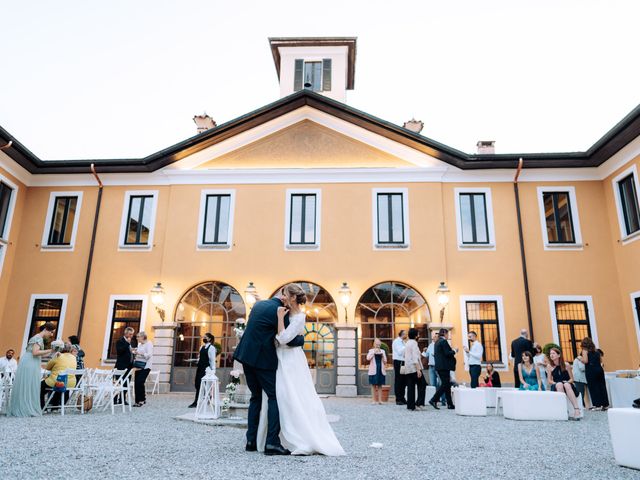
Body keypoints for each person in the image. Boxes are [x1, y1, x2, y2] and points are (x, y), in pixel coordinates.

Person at [255, 283, 344, 456]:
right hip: (279, 359)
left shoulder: (299, 317)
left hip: (291, 361)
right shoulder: (286, 311)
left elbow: (282, 339)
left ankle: (299, 436)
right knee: (279, 396)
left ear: (293, 297)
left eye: (285, 294)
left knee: (291, 396)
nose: (282, 297)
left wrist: (280, 318)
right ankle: (274, 437)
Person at [234, 285, 304, 456]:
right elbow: (287, 340)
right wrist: (302, 340)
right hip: (262, 361)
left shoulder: (258, 305)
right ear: (283, 297)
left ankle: (251, 440)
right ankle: (272, 442)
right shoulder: (281, 312)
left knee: (255, 397)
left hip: (245, 357)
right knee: (275, 396)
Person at [7, 322, 55, 416]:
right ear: (46, 330)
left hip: (29, 361)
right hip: (30, 361)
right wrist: (50, 350)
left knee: (28, 384)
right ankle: (25, 408)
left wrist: (54, 352)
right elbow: (35, 352)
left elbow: (40, 353)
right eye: (51, 332)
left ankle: (24, 406)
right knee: (28, 383)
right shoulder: (38, 338)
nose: (51, 335)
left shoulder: (37, 337)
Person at [547, 347, 581, 420]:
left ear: (559, 355)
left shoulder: (566, 365)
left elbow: (572, 379)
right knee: (559, 384)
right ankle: (564, 410)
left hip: (567, 385)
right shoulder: (549, 366)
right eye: (550, 353)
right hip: (556, 385)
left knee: (566, 384)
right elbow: (549, 380)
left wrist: (567, 381)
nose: (551, 355)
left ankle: (577, 410)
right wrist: (555, 383)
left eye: (553, 353)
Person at [41, 343, 78, 408]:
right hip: (70, 383)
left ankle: (42, 407)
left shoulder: (58, 356)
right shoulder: (74, 358)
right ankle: (54, 407)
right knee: (58, 387)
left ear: (61, 349)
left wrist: (54, 357)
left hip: (58, 381)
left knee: (40, 387)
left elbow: (47, 367)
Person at [429, 328, 457, 410]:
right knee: (445, 384)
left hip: (439, 366)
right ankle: (434, 399)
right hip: (444, 366)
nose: (448, 336)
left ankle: (450, 404)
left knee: (447, 385)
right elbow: (447, 353)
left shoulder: (437, 342)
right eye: (447, 334)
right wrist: (455, 351)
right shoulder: (443, 341)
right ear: (444, 333)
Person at [188, 332, 216, 408]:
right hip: (200, 367)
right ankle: (198, 400)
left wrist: (213, 371)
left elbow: (212, 360)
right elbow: (200, 358)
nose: (204, 338)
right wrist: (194, 360)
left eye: (205, 337)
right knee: (197, 384)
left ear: (209, 339)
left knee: (203, 384)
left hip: (206, 369)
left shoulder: (212, 348)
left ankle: (198, 401)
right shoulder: (202, 347)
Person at [579, 338, 609, 411]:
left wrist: (580, 358)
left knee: (593, 387)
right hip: (599, 369)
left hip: (591, 370)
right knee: (602, 386)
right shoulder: (597, 351)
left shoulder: (584, 350)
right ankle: (605, 405)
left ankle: (597, 405)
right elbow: (600, 361)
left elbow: (586, 361)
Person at [403, 328, 423, 411]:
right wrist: (418, 369)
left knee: (411, 386)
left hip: (408, 367)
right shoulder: (414, 343)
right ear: (415, 336)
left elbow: (405, 355)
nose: (419, 335)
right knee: (422, 385)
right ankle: (418, 403)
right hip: (414, 368)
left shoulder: (407, 343)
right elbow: (415, 357)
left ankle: (410, 405)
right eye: (418, 334)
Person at [115, 326, 135, 405]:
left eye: (132, 334)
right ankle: (115, 399)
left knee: (126, 383)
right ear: (126, 333)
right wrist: (127, 343)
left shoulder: (131, 342)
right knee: (118, 383)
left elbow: (128, 352)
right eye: (130, 334)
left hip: (129, 366)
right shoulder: (120, 341)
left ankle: (122, 399)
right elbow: (119, 351)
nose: (131, 336)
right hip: (121, 366)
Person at [424, 332, 445, 405]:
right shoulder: (430, 345)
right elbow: (426, 355)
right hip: (431, 367)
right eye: (433, 336)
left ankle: (443, 400)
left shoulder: (441, 345)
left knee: (441, 383)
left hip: (439, 367)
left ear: (439, 338)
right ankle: (435, 400)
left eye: (436, 336)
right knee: (433, 384)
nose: (434, 338)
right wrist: (424, 351)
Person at [133, 331, 153, 407]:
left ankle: (141, 400)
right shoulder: (139, 344)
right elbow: (138, 353)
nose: (137, 338)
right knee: (136, 383)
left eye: (138, 337)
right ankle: (138, 400)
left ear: (143, 337)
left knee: (140, 382)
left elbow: (149, 355)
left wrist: (139, 353)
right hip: (138, 365)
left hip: (146, 366)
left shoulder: (149, 344)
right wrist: (135, 352)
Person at [366, 338, 387, 405]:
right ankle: (373, 400)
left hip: (381, 369)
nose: (378, 345)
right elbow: (368, 358)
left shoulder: (383, 351)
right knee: (373, 385)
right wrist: (374, 352)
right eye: (376, 344)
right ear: (374, 344)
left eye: (379, 344)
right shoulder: (371, 350)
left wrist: (383, 356)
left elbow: (385, 361)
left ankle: (380, 400)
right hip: (373, 370)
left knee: (380, 385)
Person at [392, 330, 407, 405]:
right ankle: (398, 399)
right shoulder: (397, 341)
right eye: (405, 334)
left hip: (403, 361)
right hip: (398, 361)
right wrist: (407, 346)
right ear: (402, 334)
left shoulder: (403, 342)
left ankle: (402, 398)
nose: (406, 335)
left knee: (404, 381)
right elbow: (400, 352)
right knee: (399, 380)